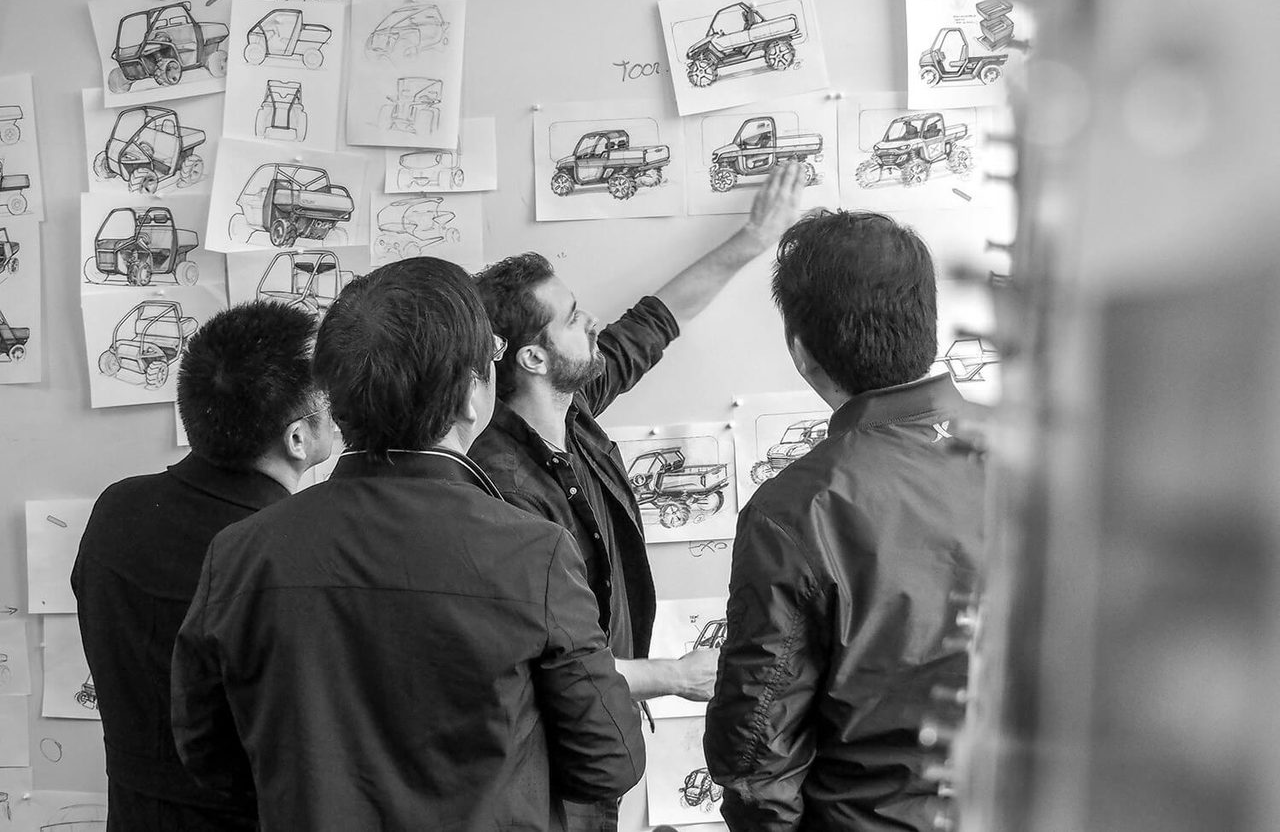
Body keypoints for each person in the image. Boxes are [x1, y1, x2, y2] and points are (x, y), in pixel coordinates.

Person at [170, 258, 644, 832]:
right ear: (469, 396)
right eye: (492, 356)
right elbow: (608, 762)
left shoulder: (240, 554)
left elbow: (208, 754)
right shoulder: (533, 554)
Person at [470, 162, 805, 831]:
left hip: (599, 739)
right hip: (549, 769)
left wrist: (753, 238)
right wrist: (674, 675)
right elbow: (541, 664)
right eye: (573, 318)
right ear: (533, 358)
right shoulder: (500, 490)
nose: (592, 320)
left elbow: (657, 320)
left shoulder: (573, 410)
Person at [703, 211, 986, 831]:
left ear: (801, 353)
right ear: (929, 323)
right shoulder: (1056, 459)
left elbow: (758, 752)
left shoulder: (797, 508)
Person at [72, 301, 334, 832]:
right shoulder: (292, 548)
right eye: (329, 399)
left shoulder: (116, 510)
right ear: (297, 438)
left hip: (134, 815)